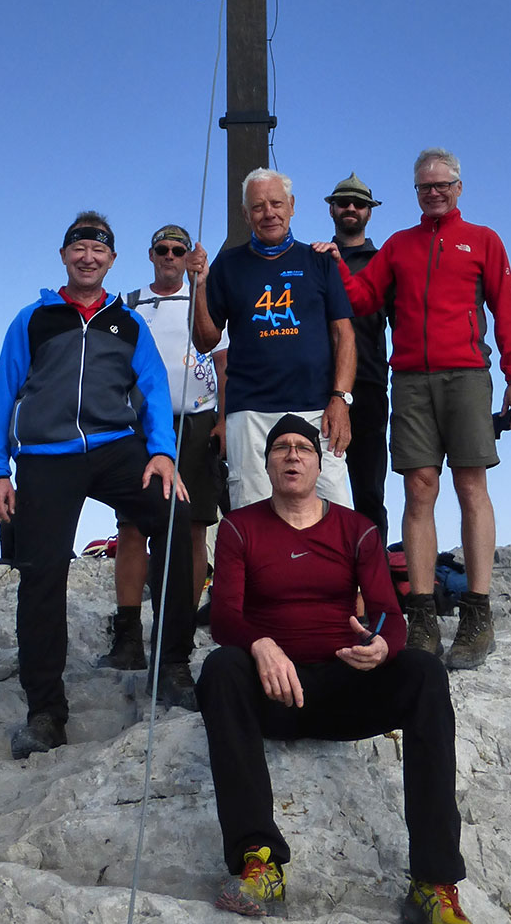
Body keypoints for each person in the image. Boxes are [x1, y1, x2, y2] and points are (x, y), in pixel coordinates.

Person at [196, 415, 473, 924]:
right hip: (273, 692)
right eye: (281, 449)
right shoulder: (239, 527)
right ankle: (259, 864)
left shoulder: (357, 530)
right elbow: (224, 615)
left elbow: (390, 612)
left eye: (303, 448)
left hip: (346, 687)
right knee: (221, 668)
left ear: (319, 464)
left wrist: (382, 649)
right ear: (268, 463)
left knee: (424, 672)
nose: (293, 456)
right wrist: (260, 644)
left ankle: (434, 884)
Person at [0, 211, 197, 759]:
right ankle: (46, 713)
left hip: (115, 448)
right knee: (42, 572)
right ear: (64, 256)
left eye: (98, 250)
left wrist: (164, 455)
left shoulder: (129, 324)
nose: (88, 257)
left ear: (111, 259)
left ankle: (170, 665)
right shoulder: (32, 320)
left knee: (174, 516)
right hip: (46, 456)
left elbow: (151, 389)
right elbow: (2, 396)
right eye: (78, 248)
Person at [317, 148, 511, 670]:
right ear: (415, 192)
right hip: (409, 377)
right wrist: (335, 267)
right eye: (424, 187)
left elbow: (507, 309)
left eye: (442, 185)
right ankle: (423, 617)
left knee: (471, 485)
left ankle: (478, 614)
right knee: (418, 489)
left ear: (459, 187)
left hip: (467, 375)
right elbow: (364, 298)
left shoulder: (483, 240)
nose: (433, 193)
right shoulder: (399, 246)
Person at [99, 223, 228, 670]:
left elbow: (224, 360)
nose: (170, 256)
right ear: (150, 254)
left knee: (193, 527)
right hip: (140, 424)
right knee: (133, 526)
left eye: (179, 249)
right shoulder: (128, 304)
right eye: (163, 249)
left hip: (197, 420)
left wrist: (224, 420)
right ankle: (129, 634)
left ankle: (180, 630)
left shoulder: (203, 301)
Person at [190, 168, 356, 510]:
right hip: (249, 411)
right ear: (245, 214)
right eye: (258, 206)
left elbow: (344, 334)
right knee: (252, 515)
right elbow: (206, 340)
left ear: (292, 205)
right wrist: (200, 285)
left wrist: (341, 399)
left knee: (334, 510)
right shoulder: (227, 264)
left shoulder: (318, 260)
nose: (269, 213)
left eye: (277, 203)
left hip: (316, 407)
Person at [324, 172, 392, 546]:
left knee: (368, 490)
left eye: (359, 203)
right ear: (331, 209)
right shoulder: (314, 259)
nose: (351, 208)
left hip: (367, 385)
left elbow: (405, 322)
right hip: (320, 386)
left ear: (370, 212)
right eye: (344, 202)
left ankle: (374, 586)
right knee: (317, 489)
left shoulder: (384, 263)